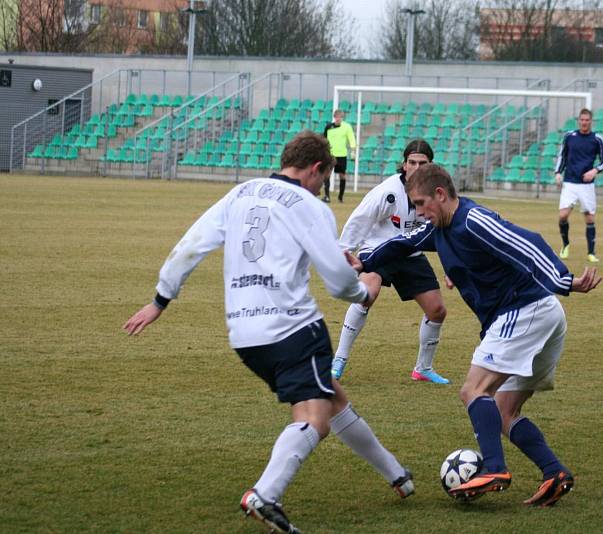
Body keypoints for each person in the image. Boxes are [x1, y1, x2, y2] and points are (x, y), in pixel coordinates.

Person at [123, 132, 414, 534]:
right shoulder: (310, 205)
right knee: (315, 418)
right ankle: (265, 494)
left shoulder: (239, 193)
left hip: (245, 333)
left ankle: (397, 475)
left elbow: (191, 244)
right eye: (323, 179)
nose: (321, 187)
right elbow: (336, 282)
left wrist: (160, 299)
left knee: (332, 395)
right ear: (316, 170)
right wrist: (360, 290)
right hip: (293, 326)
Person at [351, 164, 601, 506]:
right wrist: (363, 263)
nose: (419, 211)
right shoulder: (436, 229)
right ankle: (554, 472)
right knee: (503, 410)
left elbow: (529, 244)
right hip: (536, 316)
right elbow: (399, 244)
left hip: (526, 309)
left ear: (441, 194)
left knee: (473, 390)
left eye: (422, 203)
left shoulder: (473, 220)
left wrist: (564, 280)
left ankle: (495, 468)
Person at [333, 139, 449, 384]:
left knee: (437, 310)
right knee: (367, 293)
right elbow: (359, 220)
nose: (416, 167)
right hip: (379, 249)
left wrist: (453, 264)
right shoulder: (388, 191)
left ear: (431, 165)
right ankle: (339, 360)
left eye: (423, 163)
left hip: (410, 253)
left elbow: (444, 228)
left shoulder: (437, 191)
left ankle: (423, 369)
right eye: (412, 162)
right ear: (404, 164)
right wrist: (343, 255)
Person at [554, 108, 603, 263]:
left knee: (589, 218)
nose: (584, 122)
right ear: (578, 121)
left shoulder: (597, 139)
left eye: (587, 120)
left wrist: (595, 171)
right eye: (582, 120)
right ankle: (565, 245)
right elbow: (562, 156)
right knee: (563, 215)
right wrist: (558, 172)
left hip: (586, 185)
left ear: (591, 121)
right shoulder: (569, 137)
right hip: (569, 182)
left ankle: (591, 253)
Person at [323, 109, 357, 203]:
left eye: (340, 117)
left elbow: (351, 139)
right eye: (336, 117)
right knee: (327, 174)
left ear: (342, 117)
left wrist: (353, 151)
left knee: (342, 175)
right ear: (334, 117)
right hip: (330, 154)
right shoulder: (329, 127)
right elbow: (324, 140)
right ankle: (327, 196)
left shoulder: (347, 127)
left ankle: (340, 197)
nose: (338, 119)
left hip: (342, 155)